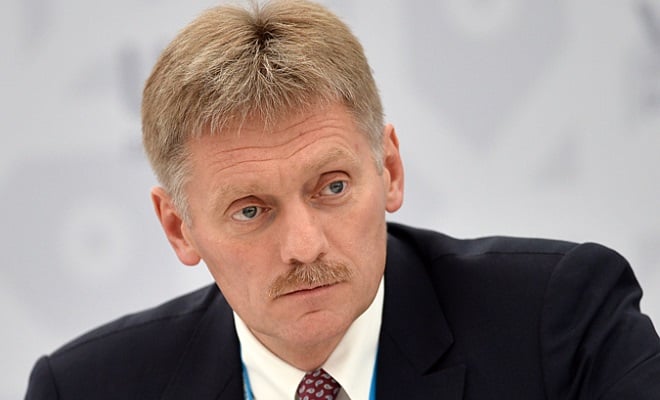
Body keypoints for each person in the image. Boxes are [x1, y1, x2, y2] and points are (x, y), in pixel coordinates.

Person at [25, 0, 660, 398]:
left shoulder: (559, 322)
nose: (305, 247)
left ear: (389, 169)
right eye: (251, 210)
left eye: (332, 187)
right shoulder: (84, 388)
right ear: (178, 227)